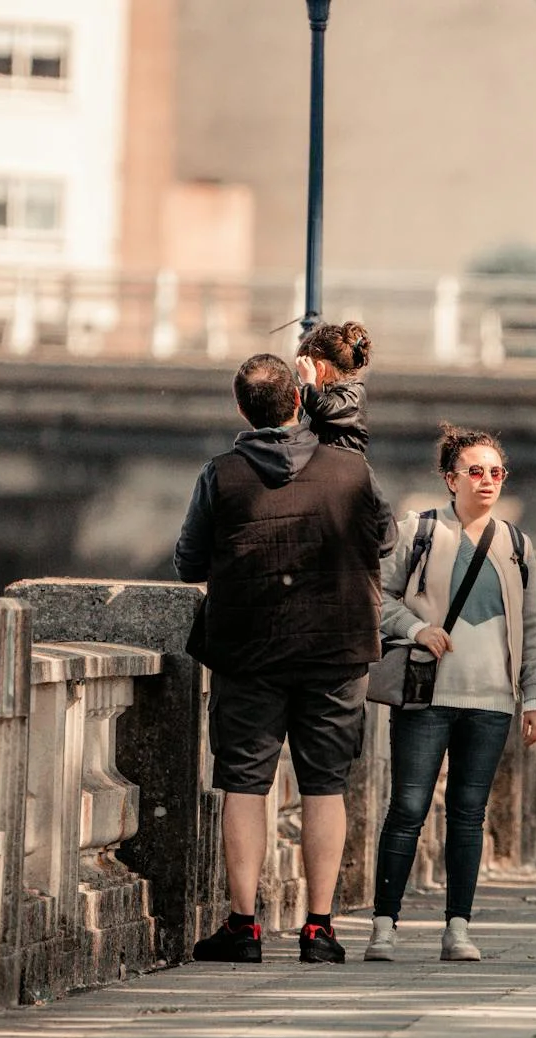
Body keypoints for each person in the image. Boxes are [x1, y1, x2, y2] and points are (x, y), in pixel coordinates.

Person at [173, 353, 395, 964]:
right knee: (325, 785)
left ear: (242, 408)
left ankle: (243, 927)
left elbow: (189, 563)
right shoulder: (351, 471)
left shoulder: (221, 474)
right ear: (298, 401)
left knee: (244, 783)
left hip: (249, 650)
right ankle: (318, 929)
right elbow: (386, 540)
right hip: (336, 651)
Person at [365, 426, 536, 962]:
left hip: (492, 700)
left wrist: (534, 696)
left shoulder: (517, 545)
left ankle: (458, 929)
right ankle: (383, 926)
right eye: (475, 470)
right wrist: (415, 628)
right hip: (427, 694)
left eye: (496, 472)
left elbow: (533, 627)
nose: (487, 480)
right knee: (408, 807)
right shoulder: (417, 531)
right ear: (450, 479)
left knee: (470, 814)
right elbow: (376, 597)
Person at [295, 320, 373, 455]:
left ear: (320, 369)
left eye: (303, 375)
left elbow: (323, 408)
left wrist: (309, 382)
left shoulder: (353, 396)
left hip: (347, 471)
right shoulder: (321, 396)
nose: (301, 382)